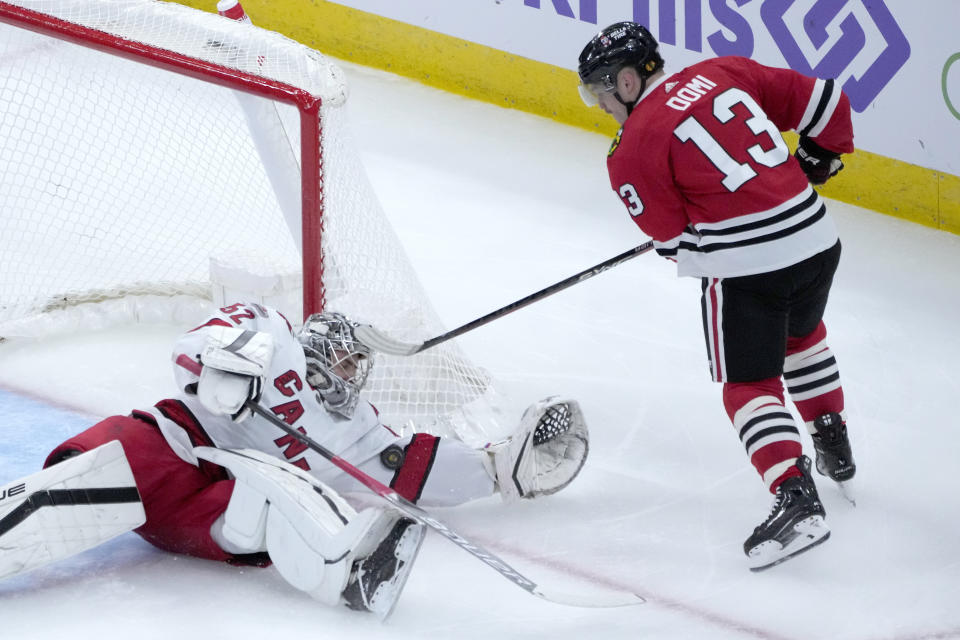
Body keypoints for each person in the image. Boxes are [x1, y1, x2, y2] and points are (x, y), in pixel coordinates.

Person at [0, 302, 589, 618]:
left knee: (279, 503)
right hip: (167, 447)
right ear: (323, 348)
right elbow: (188, 351)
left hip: (209, 510)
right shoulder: (267, 329)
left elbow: (411, 470)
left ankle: (352, 574)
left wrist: (498, 469)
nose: (354, 378)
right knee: (61, 496)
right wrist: (232, 372)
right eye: (349, 363)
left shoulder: (354, 431)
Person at [577, 22, 855, 571]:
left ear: (628, 80)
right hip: (818, 240)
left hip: (750, 269)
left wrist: (701, 234)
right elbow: (829, 104)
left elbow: (670, 238)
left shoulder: (630, 150)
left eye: (602, 91)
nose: (603, 105)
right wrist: (817, 161)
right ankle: (833, 441)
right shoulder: (722, 70)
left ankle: (795, 495)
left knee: (748, 384)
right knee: (801, 339)